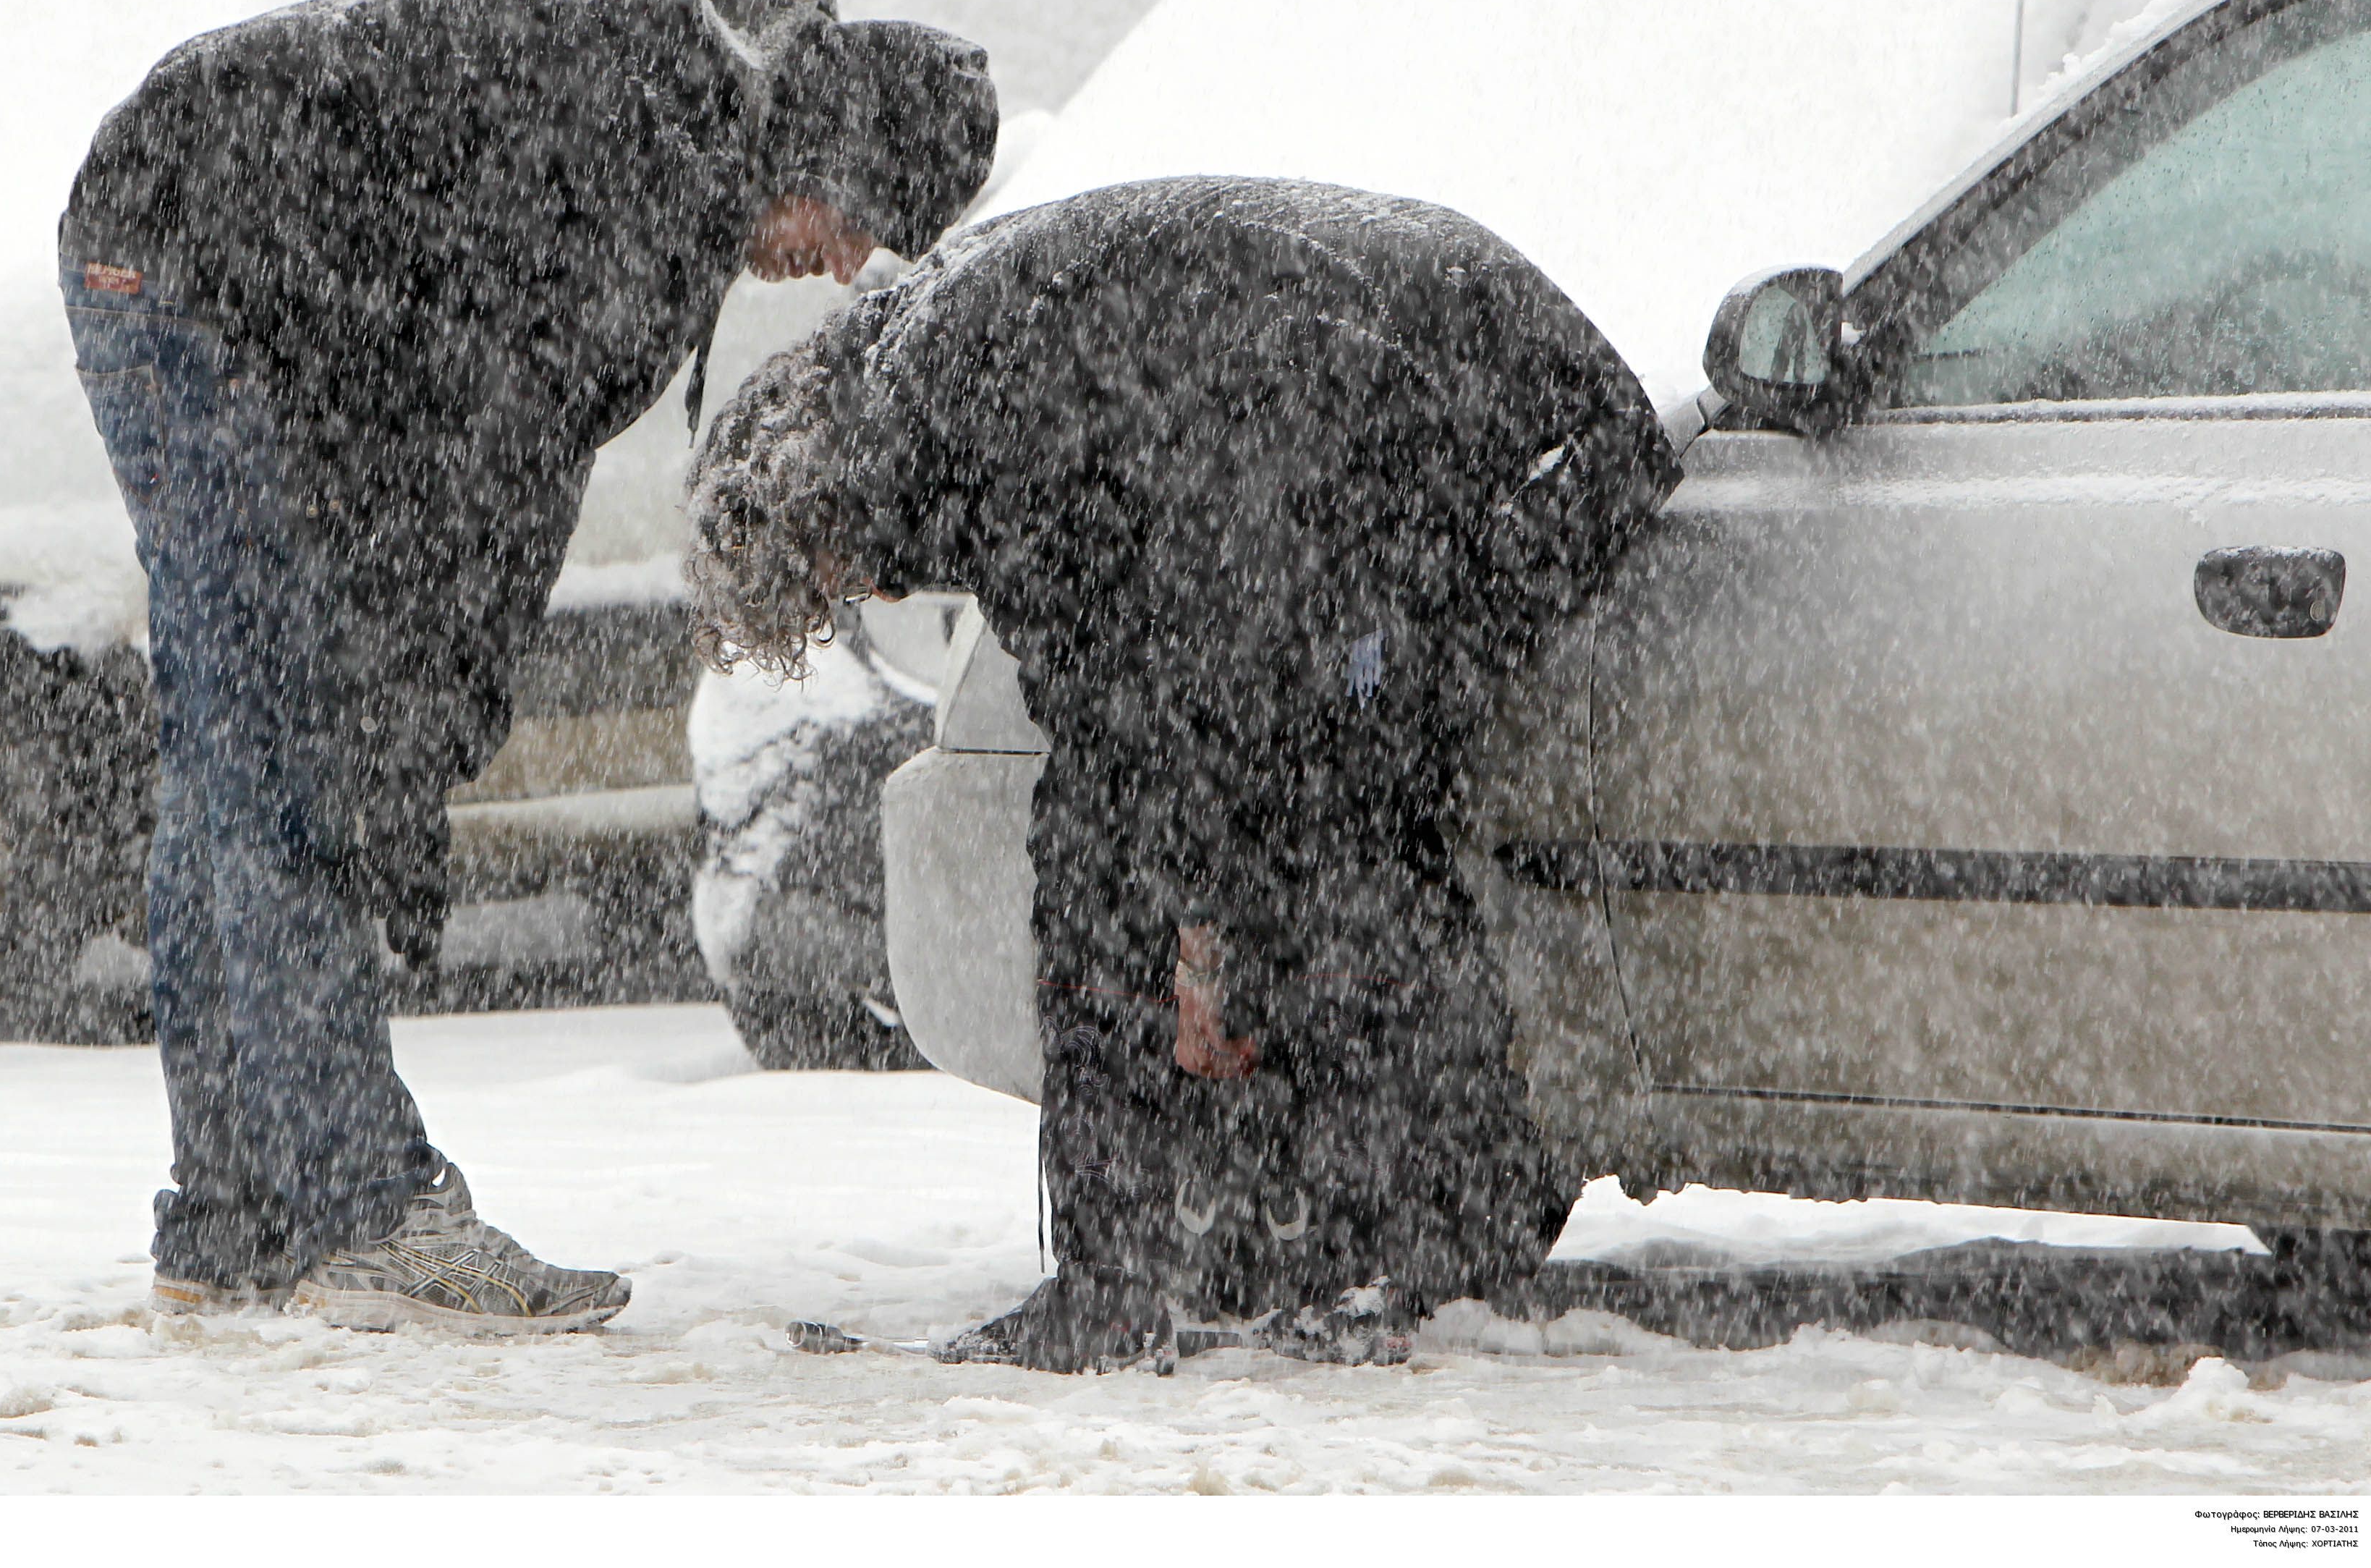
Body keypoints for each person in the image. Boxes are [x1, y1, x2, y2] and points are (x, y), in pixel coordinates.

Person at [60, 0, 997, 1330]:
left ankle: (238, 1215)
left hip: (203, 244)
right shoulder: (657, 168)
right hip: (199, 262)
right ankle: (360, 1209)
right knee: (280, 748)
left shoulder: (691, 124)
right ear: (830, 141)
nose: (847, 260)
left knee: (232, 752)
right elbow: (490, 469)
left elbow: (465, 426)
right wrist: (421, 723)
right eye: (860, 216)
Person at [686, 176, 1678, 1370]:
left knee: (1220, 831)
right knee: (1300, 787)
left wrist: (1193, 943)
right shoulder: (942, 355)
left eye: (848, 577)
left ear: (829, 512)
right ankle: (1378, 1225)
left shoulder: (971, 414)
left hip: (1496, 430)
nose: (881, 596)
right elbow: (1150, 666)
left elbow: (1122, 729)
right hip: (1452, 384)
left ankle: (1173, 1278)